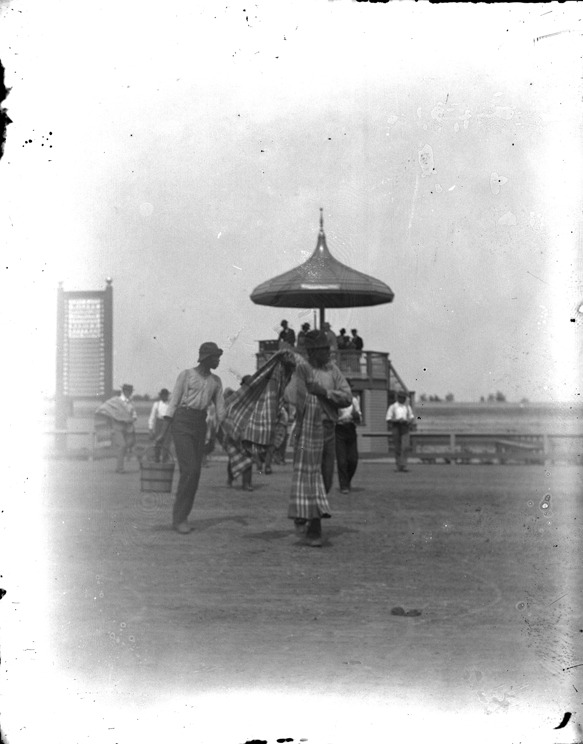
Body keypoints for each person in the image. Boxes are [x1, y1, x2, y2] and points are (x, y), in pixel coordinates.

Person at [288, 330, 352, 547]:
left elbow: (347, 397)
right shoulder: (300, 372)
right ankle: (314, 529)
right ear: (312, 352)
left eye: (328, 348)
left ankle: (305, 513)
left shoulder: (333, 371)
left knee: (326, 479)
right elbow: (291, 397)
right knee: (309, 478)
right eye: (324, 349)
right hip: (306, 430)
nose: (328, 352)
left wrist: (324, 392)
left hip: (327, 429)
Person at [155, 342, 226, 534]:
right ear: (206, 358)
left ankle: (181, 516)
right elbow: (173, 403)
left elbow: (220, 409)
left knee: (195, 473)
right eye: (216, 357)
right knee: (190, 470)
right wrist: (162, 433)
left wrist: (227, 426)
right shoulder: (186, 375)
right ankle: (179, 519)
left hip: (200, 424)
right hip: (182, 422)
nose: (218, 361)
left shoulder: (216, 381)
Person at [96, 383, 138, 473]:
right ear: (123, 391)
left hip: (128, 427)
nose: (129, 393)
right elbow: (103, 408)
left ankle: (118, 467)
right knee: (122, 445)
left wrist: (131, 419)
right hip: (117, 426)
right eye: (127, 391)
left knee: (127, 445)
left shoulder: (131, 403)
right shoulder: (115, 401)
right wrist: (111, 418)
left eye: (130, 391)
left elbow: (134, 415)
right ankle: (120, 468)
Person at [335, 395, 362, 494]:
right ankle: (343, 485)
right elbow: (332, 415)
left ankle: (347, 480)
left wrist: (356, 416)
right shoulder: (336, 400)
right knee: (342, 460)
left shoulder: (354, 400)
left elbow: (359, 416)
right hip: (339, 429)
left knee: (353, 460)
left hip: (351, 428)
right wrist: (342, 418)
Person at [386, 390, 415, 472]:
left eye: (404, 397)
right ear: (398, 397)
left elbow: (411, 417)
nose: (402, 399)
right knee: (397, 447)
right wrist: (397, 420)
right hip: (396, 426)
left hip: (405, 427)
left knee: (405, 446)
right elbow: (388, 418)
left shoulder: (407, 407)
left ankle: (404, 465)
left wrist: (409, 421)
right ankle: (399, 466)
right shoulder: (393, 407)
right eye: (401, 397)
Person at [148, 388, 171, 462]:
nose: (164, 396)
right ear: (160, 396)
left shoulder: (170, 404)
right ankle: (156, 459)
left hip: (168, 423)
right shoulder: (156, 404)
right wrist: (150, 428)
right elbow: (152, 416)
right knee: (157, 442)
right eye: (162, 395)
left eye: (165, 395)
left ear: (167, 396)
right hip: (159, 423)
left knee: (166, 443)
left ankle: (165, 460)